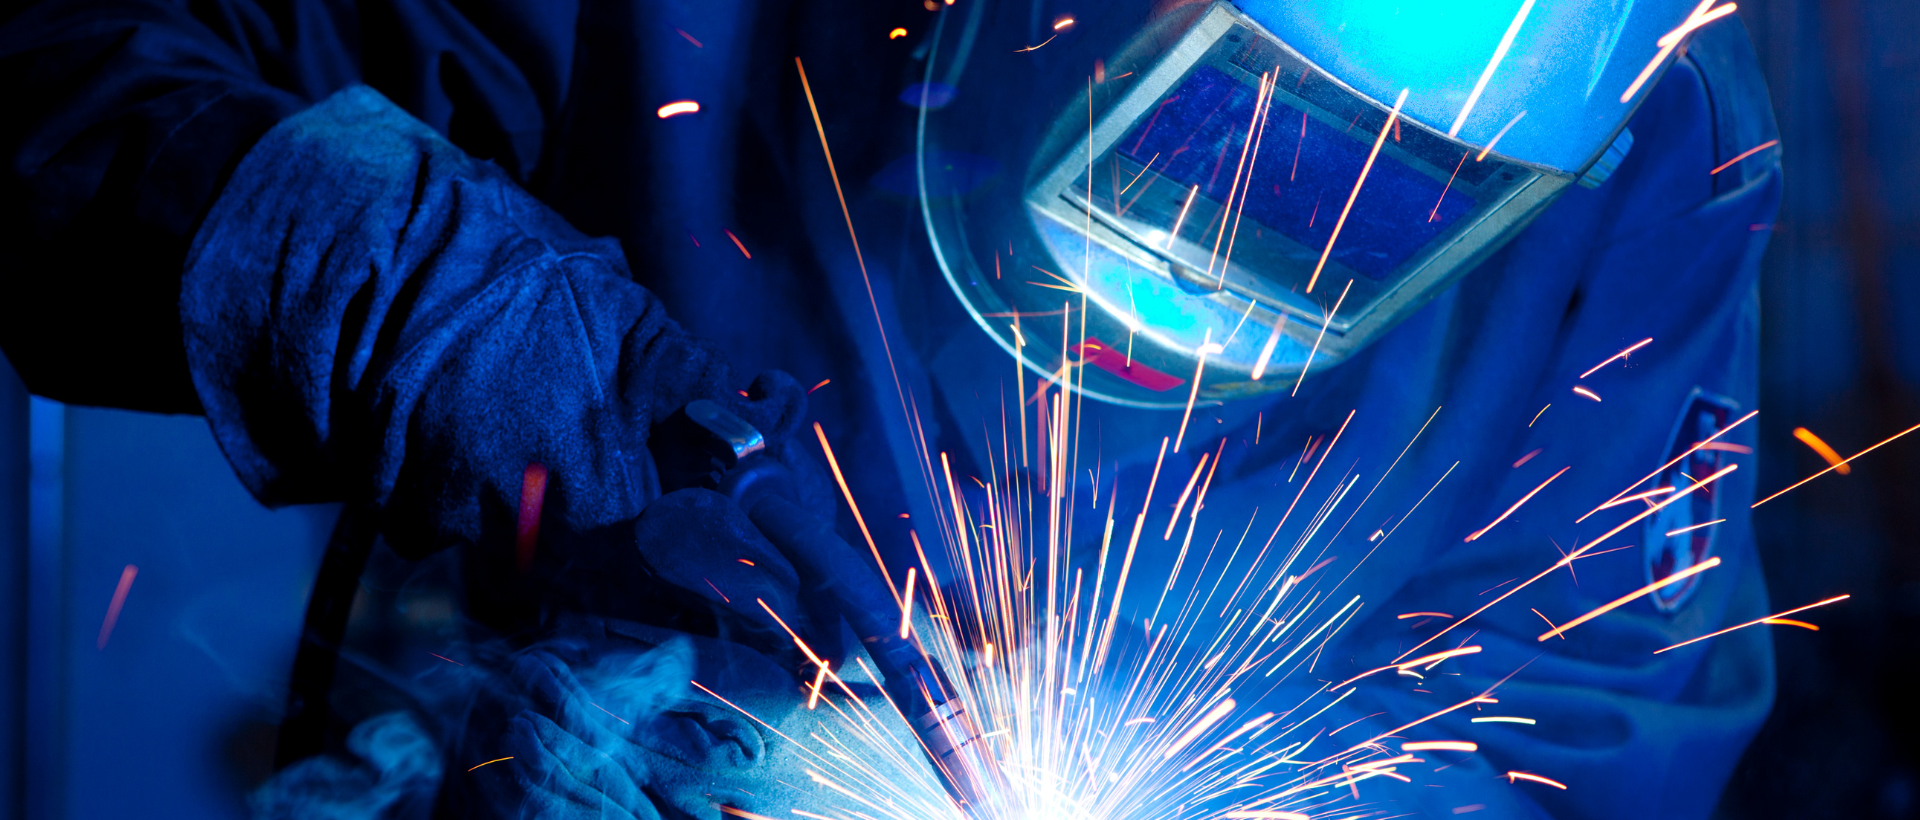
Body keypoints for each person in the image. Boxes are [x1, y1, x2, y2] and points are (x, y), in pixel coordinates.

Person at [0, 1, 1781, 818]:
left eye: (1383, 207)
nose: (1210, 262)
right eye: (1203, 126)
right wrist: (413, 282)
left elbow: (1596, 709)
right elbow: (55, 73)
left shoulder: (1657, 156)